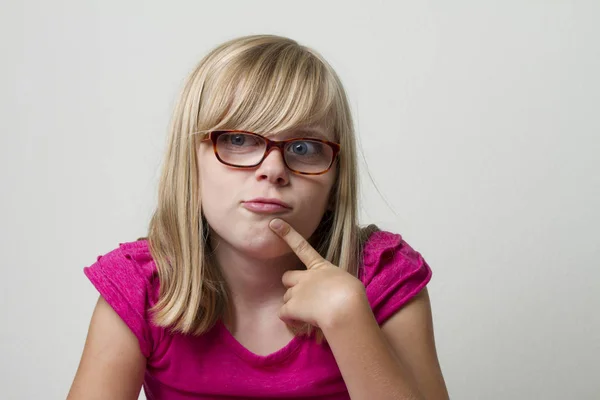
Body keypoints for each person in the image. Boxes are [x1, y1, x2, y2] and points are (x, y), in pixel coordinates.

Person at [67, 34, 449, 400]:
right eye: (238, 140)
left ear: (335, 182)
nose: (273, 169)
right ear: (190, 165)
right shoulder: (141, 287)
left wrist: (350, 322)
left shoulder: (383, 277)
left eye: (304, 147)